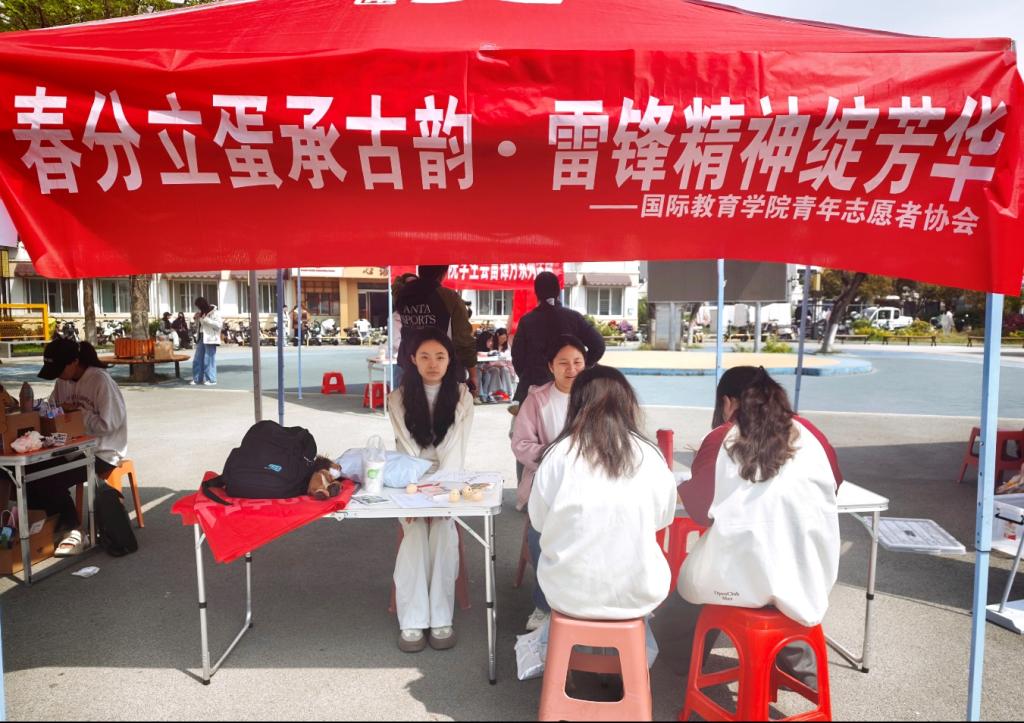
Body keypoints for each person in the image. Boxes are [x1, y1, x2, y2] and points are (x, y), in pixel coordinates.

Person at [677, 366, 842, 686]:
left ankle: (681, 666)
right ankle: (803, 673)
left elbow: (699, 510)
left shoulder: (722, 436)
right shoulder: (811, 432)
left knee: (691, 589)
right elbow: (835, 484)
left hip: (736, 578)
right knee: (782, 595)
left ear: (728, 402)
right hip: (806, 569)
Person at [529, 365, 676, 637]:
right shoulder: (650, 455)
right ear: (627, 404)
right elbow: (663, 518)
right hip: (638, 592)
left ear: (576, 404)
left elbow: (538, 521)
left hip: (567, 593)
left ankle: (568, 656)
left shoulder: (558, 454)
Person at [388, 327, 475, 653]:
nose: (433, 363)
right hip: (410, 481)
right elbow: (406, 453)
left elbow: (455, 454)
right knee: (413, 533)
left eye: (440, 356)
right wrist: (414, 497)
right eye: (424, 356)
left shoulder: (463, 397)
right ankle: (412, 620)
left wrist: (442, 497)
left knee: (442, 529)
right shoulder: (397, 399)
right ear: (412, 359)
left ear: (450, 359)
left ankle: (441, 617)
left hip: (448, 480)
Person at [0, 338, 129, 556]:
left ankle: (74, 530)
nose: (58, 375)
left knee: (49, 479)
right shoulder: (63, 382)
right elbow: (53, 409)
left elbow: (111, 424)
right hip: (69, 449)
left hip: (102, 451)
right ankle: (50, 524)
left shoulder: (100, 380)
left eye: (60, 369)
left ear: (74, 362)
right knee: (26, 477)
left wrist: (76, 414)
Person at [511, 335, 587, 632]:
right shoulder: (538, 399)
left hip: (590, 486)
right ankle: (544, 604)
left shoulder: (595, 395)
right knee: (540, 535)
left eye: (578, 362)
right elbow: (521, 444)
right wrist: (557, 457)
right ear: (551, 367)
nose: (572, 369)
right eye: (563, 363)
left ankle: (583, 599)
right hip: (547, 485)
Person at [511, 271, 605, 403]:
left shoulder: (527, 321)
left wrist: (528, 375)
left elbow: (517, 356)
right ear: (558, 291)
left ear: (536, 292)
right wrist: (579, 367)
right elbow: (598, 345)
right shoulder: (573, 317)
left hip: (534, 387)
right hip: (568, 386)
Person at [395, 265, 478, 395]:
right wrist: (473, 375)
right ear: (443, 273)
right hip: (440, 369)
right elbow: (463, 339)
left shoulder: (401, 295)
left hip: (408, 366)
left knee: (410, 406)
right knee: (444, 407)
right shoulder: (449, 297)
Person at [190, 296, 223, 386]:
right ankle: (197, 379)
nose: (198, 308)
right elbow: (200, 326)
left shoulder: (214, 312)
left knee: (209, 359)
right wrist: (196, 319)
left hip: (210, 338)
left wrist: (205, 319)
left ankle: (211, 379)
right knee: (197, 359)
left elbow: (219, 325)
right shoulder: (201, 313)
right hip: (201, 336)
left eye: (198, 306)